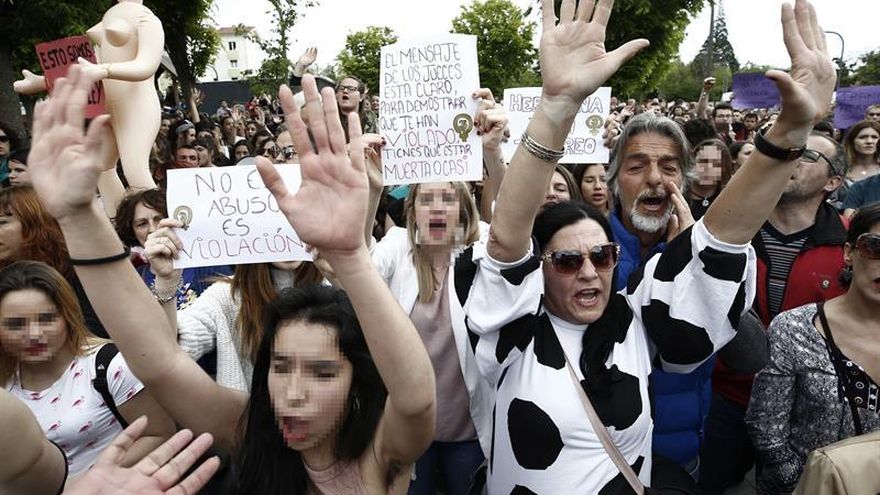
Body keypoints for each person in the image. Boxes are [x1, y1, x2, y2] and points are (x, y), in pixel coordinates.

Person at [458, 0, 834, 492]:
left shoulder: (634, 320)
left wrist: (789, 133)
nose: (589, 271)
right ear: (536, 272)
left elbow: (721, 244)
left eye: (603, 256)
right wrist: (557, 106)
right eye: (567, 260)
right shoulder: (510, 334)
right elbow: (507, 240)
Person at [27, 65, 437, 493]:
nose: (292, 393)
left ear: (357, 383)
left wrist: (351, 258)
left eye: (322, 373)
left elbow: (416, 400)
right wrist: (78, 216)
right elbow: (161, 362)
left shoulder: (382, 453)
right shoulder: (253, 431)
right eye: (280, 366)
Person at [700, 131, 849, 494]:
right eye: (789, 152)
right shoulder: (729, 228)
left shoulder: (851, 246)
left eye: (808, 156)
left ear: (832, 182)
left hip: (807, 415)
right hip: (727, 397)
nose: (792, 160)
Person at [746, 204, 880, 494]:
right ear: (849, 253)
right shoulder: (794, 328)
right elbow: (766, 429)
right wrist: (812, 484)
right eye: (874, 247)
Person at [0, 261, 175, 480]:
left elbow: (159, 435)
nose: (34, 334)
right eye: (16, 324)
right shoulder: (5, 383)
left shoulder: (110, 365)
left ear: (68, 316)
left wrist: (87, 483)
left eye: (46, 319)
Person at [0, 186, 108, 338]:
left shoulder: (80, 266)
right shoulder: (5, 276)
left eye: (2, 222)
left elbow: (97, 330)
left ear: (33, 222)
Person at [689, 139, 733, 220]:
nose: (708, 168)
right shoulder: (676, 194)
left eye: (716, 165)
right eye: (703, 161)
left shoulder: (728, 199)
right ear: (692, 162)